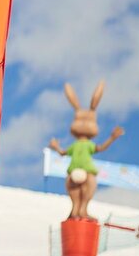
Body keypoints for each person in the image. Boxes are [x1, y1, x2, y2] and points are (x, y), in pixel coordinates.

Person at [49, 80, 125, 220]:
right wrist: (55, 147)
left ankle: (81, 211)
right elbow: (64, 152)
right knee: (78, 192)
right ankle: (76, 211)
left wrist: (112, 138)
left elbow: (99, 148)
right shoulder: (78, 145)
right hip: (78, 172)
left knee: (86, 189)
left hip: (80, 172)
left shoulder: (85, 145)